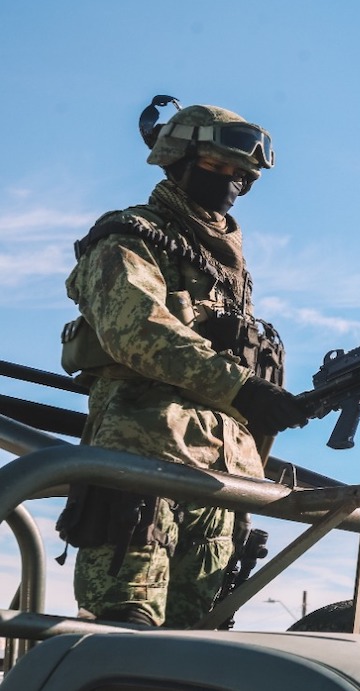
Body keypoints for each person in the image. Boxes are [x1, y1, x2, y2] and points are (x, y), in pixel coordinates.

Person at [54, 96, 309, 628]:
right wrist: (243, 388)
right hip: (144, 466)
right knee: (127, 634)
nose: (230, 184)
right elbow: (139, 329)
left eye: (241, 175)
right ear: (177, 160)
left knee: (195, 649)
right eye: (218, 168)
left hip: (223, 483)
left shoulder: (231, 270)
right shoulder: (129, 235)